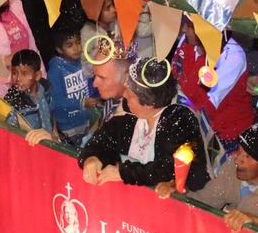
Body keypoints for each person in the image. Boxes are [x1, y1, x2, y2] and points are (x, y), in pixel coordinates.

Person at [78, 57, 208, 192]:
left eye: (130, 94)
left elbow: (170, 169)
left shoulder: (181, 121)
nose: (125, 95)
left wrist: (123, 173)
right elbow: (103, 140)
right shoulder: (129, 115)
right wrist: (92, 158)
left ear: (149, 103)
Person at [192, 121, 258, 232]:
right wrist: (178, 192)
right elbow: (204, 201)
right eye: (239, 150)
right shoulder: (232, 166)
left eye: (247, 156)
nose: (237, 160)